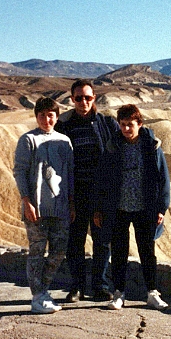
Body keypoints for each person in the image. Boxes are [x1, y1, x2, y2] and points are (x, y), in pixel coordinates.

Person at [96, 104, 171, 311]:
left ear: (140, 124)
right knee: (119, 252)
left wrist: (161, 208)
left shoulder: (151, 146)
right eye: (123, 124)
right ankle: (119, 293)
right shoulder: (113, 147)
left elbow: (163, 178)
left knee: (147, 252)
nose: (126, 129)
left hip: (145, 207)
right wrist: (100, 208)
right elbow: (103, 179)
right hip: (118, 207)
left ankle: (152, 293)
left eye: (130, 124)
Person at [55, 79, 119, 302]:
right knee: (75, 241)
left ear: (94, 98)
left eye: (88, 98)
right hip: (75, 192)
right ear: (72, 99)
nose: (84, 102)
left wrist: (152, 142)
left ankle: (100, 286)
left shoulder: (107, 124)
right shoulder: (64, 126)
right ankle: (77, 287)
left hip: (101, 193)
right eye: (79, 98)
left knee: (101, 241)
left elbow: (127, 143)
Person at [14, 97, 74, 314]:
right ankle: (37, 296)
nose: (46, 120)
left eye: (51, 115)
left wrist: (71, 203)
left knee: (59, 252)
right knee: (37, 253)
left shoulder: (64, 141)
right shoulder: (28, 140)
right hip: (36, 208)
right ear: (36, 116)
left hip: (60, 207)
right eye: (42, 115)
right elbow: (20, 171)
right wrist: (27, 202)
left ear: (57, 117)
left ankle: (43, 291)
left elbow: (69, 174)